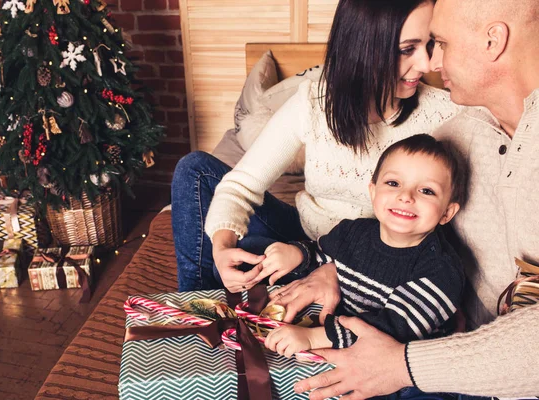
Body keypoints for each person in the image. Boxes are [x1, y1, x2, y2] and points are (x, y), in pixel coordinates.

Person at [286, 0, 539, 399]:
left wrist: (402, 366)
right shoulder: (453, 136)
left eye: (439, 43)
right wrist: (334, 267)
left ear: (493, 41)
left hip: (439, 364)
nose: (431, 63)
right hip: (441, 351)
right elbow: (397, 232)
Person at [171, 0, 460, 293]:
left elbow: (441, 234)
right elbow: (241, 186)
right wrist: (221, 249)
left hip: (378, 256)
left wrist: (334, 269)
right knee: (195, 170)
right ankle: (196, 306)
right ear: (363, 45)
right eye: (407, 49)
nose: (427, 65)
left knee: (265, 263)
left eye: (431, 44)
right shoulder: (314, 102)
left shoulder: (445, 115)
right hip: (303, 237)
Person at [263, 134, 466, 362]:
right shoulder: (354, 232)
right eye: (393, 183)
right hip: (338, 337)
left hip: (397, 366)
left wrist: (312, 338)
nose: (405, 196)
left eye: (426, 191)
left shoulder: (440, 271)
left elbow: (392, 329)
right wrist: (297, 253)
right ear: (373, 192)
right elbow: (322, 254)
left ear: (447, 213)